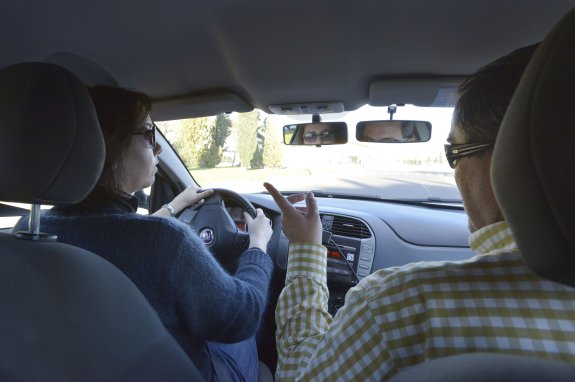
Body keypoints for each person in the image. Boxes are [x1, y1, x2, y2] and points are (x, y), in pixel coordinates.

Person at [264, 43, 575, 381]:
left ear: (506, 159)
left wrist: (306, 249)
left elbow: (298, 376)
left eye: (454, 151)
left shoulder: (401, 308)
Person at [15, 85, 274, 382]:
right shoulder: (166, 242)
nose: (159, 147)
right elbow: (243, 317)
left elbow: (111, 238)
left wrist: (174, 206)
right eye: (149, 134)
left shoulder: (27, 233)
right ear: (109, 146)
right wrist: (258, 246)